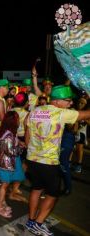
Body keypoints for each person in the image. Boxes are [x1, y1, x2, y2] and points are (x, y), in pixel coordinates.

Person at [24, 85, 90, 236]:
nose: (70, 103)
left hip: (32, 159)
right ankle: (38, 224)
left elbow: (26, 130)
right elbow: (86, 114)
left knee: (36, 188)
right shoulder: (60, 113)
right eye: (68, 100)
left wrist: (29, 148)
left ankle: (31, 221)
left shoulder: (35, 111)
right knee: (53, 194)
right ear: (58, 101)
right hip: (48, 163)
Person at [0, 111, 25, 218]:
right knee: (4, 185)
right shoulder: (8, 135)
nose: (19, 120)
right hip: (5, 164)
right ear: (13, 121)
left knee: (5, 185)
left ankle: (2, 202)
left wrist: (18, 142)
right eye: (17, 119)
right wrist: (20, 149)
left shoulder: (9, 132)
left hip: (7, 163)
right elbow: (10, 151)